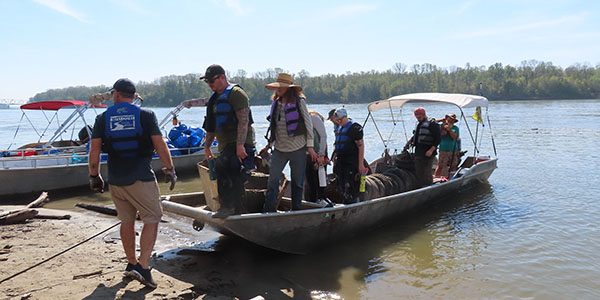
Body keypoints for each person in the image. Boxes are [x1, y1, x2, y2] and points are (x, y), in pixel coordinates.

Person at [88, 78, 177, 289]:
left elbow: (94, 150)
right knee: (152, 218)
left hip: (116, 180)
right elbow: (160, 145)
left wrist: (94, 175)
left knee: (126, 221)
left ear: (116, 94)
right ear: (133, 96)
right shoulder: (145, 115)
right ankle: (144, 267)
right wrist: (170, 169)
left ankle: (132, 263)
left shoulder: (102, 118)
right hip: (141, 178)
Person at [196, 64, 256, 219]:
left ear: (222, 77)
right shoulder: (214, 99)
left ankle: (231, 208)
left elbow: (243, 121)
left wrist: (240, 145)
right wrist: (207, 146)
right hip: (225, 145)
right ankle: (234, 209)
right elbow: (210, 125)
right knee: (224, 171)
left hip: (241, 143)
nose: (210, 84)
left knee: (229, 168)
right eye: (207, 82)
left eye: (212, 81)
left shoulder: (237, 94)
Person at [262, 73, 318, 212]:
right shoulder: (275, 103)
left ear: (289, 88)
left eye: (281, 87)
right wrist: (268, 145)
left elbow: (308, 125)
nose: (278, 90)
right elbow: (274, 127)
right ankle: (268, 210)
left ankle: (296, 211)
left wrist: (310, 147)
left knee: (297, 184)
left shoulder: (299, 102)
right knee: (273, 181)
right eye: (277, 87)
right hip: (279, 149)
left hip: (298, 149)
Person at [331, 108, 367, 204]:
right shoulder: (339, 128)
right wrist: (335, 156)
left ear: (346, 117)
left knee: (349, 184)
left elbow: (361, 145)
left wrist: (360, 164)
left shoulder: (354, 128)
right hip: (340, 160)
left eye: (340, 120)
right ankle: (344, 201)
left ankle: (352, 202)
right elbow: (337, 143)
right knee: (340, 184)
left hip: (351, 161)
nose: (339, 122)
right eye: (337, 120)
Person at [403, 107, 441, 187]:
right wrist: (409, 142)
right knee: (418, 170)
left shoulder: (432, 123)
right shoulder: (418, 124)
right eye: (417, 117)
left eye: (419, 117)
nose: (418, 119)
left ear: (424, 115)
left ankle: (428, 187)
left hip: (428, 151)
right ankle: (420, 186)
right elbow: (416, 136)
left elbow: (438, 139)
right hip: (419, 151)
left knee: (426, 172)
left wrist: (431, 150)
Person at [304, 110, 328, 203]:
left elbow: (323, 136)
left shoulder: (314, 118)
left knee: (320, 179)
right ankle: (312, 201)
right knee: (310, 181)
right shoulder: (302, 120)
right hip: (306, 155)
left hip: (317, 154)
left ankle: (322, 198)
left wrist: (322, 154)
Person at [434, 113, 460, 178]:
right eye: (450, 119)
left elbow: (455, 137)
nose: (451, 121)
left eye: (453, 120)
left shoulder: (455, 128)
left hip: (453, 149)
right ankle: (436, 178)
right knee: (440, 166)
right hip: (443, 149)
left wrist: (449, 130)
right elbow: (431, 123)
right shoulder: (440, 126)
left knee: (453, 165)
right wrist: (441, 120)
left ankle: (451, 178)